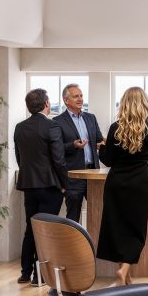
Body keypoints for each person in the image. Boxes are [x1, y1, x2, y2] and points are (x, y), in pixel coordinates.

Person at [96, 86, 148, 286]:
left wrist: (101, 147)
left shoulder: (115, 128)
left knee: (117, 228)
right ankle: (125, 272)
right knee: (136, 229)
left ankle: (124, 272)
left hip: (116, 183)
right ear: (145, 103)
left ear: (124, 103)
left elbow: (108, 160)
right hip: (138, 184)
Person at [13, 88, 66, 285]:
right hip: (50, 186)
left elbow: (20, 158)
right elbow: (58, 160)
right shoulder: (52, 126)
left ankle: (25, 273)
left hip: (29, 185)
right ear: (46, 104)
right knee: (46, 231)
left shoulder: (20, 127)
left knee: (31, 228)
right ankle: (40, 276)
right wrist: (64, 185)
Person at [52, 83, 104, 224]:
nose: (80, 99)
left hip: (93, 174)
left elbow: (99, 140)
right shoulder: (57, 121)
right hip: (73, 176)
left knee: (99, 213)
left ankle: (95, 239)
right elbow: (56, 149)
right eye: (76, 96)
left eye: (81, 95)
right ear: (66, 100)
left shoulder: (91, 117)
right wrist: (73, 145)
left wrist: (111, 140)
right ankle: (72, 240)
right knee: (73, 217)